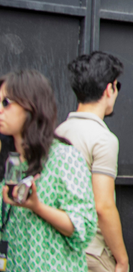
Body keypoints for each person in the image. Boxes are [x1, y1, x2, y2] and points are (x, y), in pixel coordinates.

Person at [0, 70, 97, 272]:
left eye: (6, 103)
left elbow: (83, 228)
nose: (0, 109)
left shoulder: (64, 157)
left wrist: (37, 207)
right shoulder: (9, 159)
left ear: (31, 107)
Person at [57, 52, 129, 272]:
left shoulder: (59, 131)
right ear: (109, 89)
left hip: (60, 246)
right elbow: (103, 207)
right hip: (92, 251)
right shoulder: (103, 139)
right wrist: (122, 259)